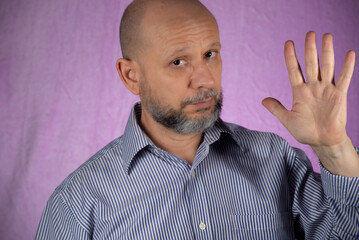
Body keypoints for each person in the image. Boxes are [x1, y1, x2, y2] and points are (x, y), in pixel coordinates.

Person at [35, 0, 359, 239]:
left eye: (210, 55)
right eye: (178, 61)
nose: (204, 79)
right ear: (132, 76)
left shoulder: (275, 159)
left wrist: (333, 149)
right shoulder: (77, 204)